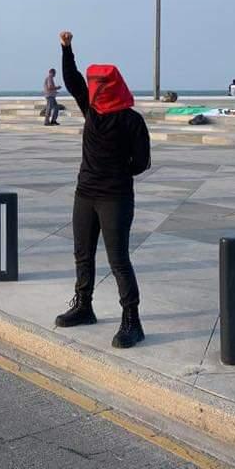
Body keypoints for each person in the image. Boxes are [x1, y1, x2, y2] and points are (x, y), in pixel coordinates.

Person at [53, 31, 151, 349]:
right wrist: (67, 49)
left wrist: (115, 173)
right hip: (85, 193)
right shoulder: (91, 108)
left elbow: (142, 162)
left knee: (118, 259)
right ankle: (84, 306)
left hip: (115, 198)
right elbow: (72, 79)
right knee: (82, 253)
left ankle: (132, 321)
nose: (94, 90)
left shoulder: (131, 120)